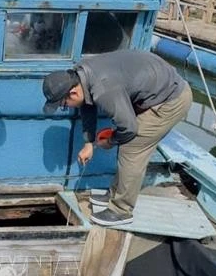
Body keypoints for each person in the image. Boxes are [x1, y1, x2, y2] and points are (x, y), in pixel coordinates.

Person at [42, 50, 192, 226]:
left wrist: (111, 141)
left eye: (63, 104)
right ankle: (116, 193)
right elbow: (87, 106)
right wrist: (89, 143)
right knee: (126, 138)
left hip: (170, 100)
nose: (65, 107)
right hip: (155, 88)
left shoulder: (103, 90)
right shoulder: (79, 74)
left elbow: (129, 128)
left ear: (73, 93)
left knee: (132, 146)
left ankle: (121, 210)